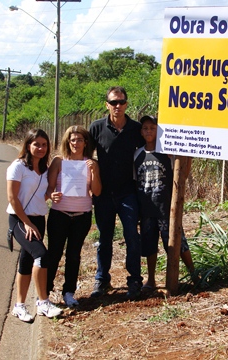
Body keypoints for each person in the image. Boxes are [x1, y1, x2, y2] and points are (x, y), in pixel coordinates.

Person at [88, 86, 145, 300]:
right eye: (113, 103)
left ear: (127, 104)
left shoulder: (136, 129)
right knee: (104, 238)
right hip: (103, 194)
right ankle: (102, 279)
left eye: (121, 102)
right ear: (107, 105)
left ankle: (135, 280)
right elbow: (82, 156)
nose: (117, 106)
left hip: (128, 192)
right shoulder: (96, 128)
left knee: (132, 236)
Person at [134, 115, 196, 291]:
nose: (149, 131)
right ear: (141, 131)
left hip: (166, 208)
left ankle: (193, 274)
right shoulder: (137, 155)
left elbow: (182, 175)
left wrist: (188, 155)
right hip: (147, 208)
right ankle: (151, 280)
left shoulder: (168, 154)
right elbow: (135, 180)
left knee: (177, 243)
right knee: (149, 245)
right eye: (145, 128)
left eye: (152, 128)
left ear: (158, 131)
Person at [6, 128, 62, 322]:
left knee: (26, 260)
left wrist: (50, 196)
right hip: (20, 219)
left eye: (44, 144)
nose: (40, 148)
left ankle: (19, 306)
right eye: (36, 144)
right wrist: (27, 223)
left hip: (39, 218)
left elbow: (41, 195)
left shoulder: (44, 169)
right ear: (28, 145)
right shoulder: (18, 166)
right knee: (41, 255)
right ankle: (43, 302)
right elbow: (13, 198)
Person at [46, 125, 102, 307]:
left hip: (81, 215)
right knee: (54, 254)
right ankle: (45, 293)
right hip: (59, 214)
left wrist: (94, 171)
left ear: (86, 142)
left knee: (74, 255)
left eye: (79, 140)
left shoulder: (91, 163)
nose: (75, 143)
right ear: (67, 142)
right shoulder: (59, 161)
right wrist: (51, 195)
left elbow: (97, 191)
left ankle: (69, 292)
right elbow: (49, 188)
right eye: (72, 140)